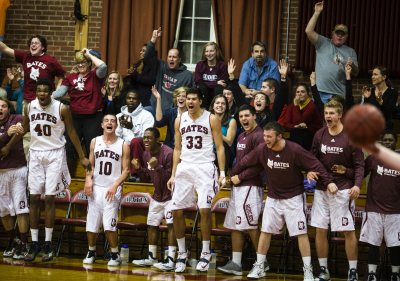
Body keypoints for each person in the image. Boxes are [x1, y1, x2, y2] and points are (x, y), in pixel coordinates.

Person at [231, 121, 336, 281]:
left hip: (293, 198)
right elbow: (246, 161)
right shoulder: (262, 149)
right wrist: (232, 175)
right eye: (264, 135)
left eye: (269, 136)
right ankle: (259, 265)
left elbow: (316, 164)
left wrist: (329, 182)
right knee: (265, 231)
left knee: (301, 233)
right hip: (273, 197)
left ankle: (307, 270)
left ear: (279, 136)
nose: (265, 139)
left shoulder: (294, 150)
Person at [19, 78, 89, 262]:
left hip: (55, 153)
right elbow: (25, 128)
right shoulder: (29, 107)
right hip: (35, 153)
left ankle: (48, 244)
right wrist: (10, 143)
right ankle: (34, 244)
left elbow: (72, 132)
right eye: (39, 91)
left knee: (49, 198)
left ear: (51, 92)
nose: (42, 94)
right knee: (34, 198)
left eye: (45, 90)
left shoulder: (61, 108)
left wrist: (82, 156)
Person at [167, 88, 226, 273]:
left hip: (205, 166)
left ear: (200, 101)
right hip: (185, 166)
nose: (189, 101)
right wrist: (173, 173)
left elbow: (220, 147)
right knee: (175, 209)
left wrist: (223, 172)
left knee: (205, 209)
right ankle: (182, 253)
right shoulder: (179, 119)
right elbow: (177, 148)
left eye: (193, 99)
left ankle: (206, 252)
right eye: (187, 99)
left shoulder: (211, 119)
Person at [310, 100, 364, 281]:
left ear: (340, 115)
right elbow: (313, 160)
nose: (328, 116)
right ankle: (324, 270)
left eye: (331, 113)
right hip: (322, 190)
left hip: (343, 191)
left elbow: (359, 165)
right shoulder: (319, 135)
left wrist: (357, 184)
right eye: (326, 113)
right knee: (320, 230)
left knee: (348, 231)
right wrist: (310, 171)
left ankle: (353, 271)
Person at [217, 104, 266, 276]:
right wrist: (232, 176)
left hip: (251, 185)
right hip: (239, 186)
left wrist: (241, 177)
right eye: (241, 116)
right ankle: (236, 263)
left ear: (254, 117)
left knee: (251, 225)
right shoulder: (241, 136)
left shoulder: (259, 136)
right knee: (235, 225)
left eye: (247, 116)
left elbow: (261, 164)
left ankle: (262, 263)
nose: (244, 119)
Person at [82, 113, 130, 267]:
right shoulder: (94, 141)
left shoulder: (123, 144)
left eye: (113, 121)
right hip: (96, 187)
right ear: (102, 125)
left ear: (116, 125)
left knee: (109, 224)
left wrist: (115, 185)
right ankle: (91, 251)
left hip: (112, 188)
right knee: (92, 222)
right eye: (107, 121)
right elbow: (90, 165)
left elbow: (126, 170)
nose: (110, 123)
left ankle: (114, 254)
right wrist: (88, 180)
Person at [131, 127, 177, 271]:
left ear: (158, 139)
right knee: (151, 224)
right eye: (144, 137)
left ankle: (171, 260)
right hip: (157, 196)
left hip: (171, 195)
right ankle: (152, 257)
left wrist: (158, 166)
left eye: (149, 138)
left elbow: (170, 179)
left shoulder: (169, 153)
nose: (146, 140)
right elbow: (147, 177)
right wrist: (139, 169)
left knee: (171, 225)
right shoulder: (145, 154)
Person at [52, 48, 107, 160]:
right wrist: (46, 95)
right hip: (75, 117)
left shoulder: (95, 75)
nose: (81, 65)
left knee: (92, 147)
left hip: (93, 117)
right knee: (69, 146)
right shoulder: (71, 77)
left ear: (89, 63)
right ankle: (69, 176)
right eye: (78, 63)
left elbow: (103, 67)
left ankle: (92, 175)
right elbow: (59, 93)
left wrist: (88, 54)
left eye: (84, 62)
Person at [361, 131, 400, 281]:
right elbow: (360, 174)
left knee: (395, 245)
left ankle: (395, 274)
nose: (387, 142)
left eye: (391, 140)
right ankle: (371, 274)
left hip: (395, 211)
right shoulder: (373, 158)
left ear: (396, 143)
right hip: (374, 208)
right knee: (373, 243)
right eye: (385, 140)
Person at [305, 1, 359, 103]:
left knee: (336, 119)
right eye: (337, 33)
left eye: (342, 34)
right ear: (332, 34)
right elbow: (308, 31)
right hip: (320, 92)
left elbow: (356, 73)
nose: (339, 36)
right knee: (319, 118)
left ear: (346, 37)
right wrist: (317, 12)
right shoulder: (323, 42)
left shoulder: (350, 51)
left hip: (339, 94)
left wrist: (352, 66)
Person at [0, 97, 29, 260]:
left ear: (8, 109)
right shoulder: (8, 127)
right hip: (0, 173)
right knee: (3, 211)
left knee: (21, 208)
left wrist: (17, 130)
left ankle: (24, 244)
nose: (1, 109)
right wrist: (6, 135)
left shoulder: (16, 119)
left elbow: (27, 122)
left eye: (3, 106)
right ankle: (14, 241)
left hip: (18, 170)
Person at [0, 35, 65, 103]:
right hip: (28, 100)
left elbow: (62, 76)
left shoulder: (50, 60)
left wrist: (56, 93)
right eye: (31, 43)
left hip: (46, 100)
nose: (33, 45)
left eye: (36, 43)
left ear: (42, 47)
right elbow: (5, 49)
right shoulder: (25, 57)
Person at [148, 28, 193, 113]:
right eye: (169, 56)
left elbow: (191, 95)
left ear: (179, 60)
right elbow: (148, 57)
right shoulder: (161, 66)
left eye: (174, 57)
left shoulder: (187, 75)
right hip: (155, 106)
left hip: (173, 111)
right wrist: (153, 39)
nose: (171, 59)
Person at [116, 89, 154, 181]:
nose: (131, 100)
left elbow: (147, 138)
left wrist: (132, 127)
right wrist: (120, 127)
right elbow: (116, 137)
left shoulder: (147, 115)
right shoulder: (118, 116)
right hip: (124, 146)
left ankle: (135, 174)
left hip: (141, 146)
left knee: (135, 141)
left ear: (139, 100)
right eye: (129, 98)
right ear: (126, 100)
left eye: (134, 98)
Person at [278, 83, 322, 150]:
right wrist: (294, 126)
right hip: (295, 134)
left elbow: (300, 121)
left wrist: (296, 106)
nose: (299, 94)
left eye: (302, 92)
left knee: (300, 134)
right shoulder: (292, 105)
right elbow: (286, 123)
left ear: (308, 93)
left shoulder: (311, 105)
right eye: (297, 92)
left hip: (309, 134)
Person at [127, 28, 160, 107]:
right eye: (141, 50)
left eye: (143, 51)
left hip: (146, 98)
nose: (141, 52)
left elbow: (150, 80)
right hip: (135, 96)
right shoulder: (138, 63)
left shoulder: (154, 64)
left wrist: (135, 76)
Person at [361, 66, 398, 130]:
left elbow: (391, 112)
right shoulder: (370, 91)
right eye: (372, 75)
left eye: (375, 74)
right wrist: (366, 98)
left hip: (385, 129)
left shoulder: (392, 92)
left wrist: (381, 102)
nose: (372, 77)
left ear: (384, 77)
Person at [194, 42, 228, 109]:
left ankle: (216, 110)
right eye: (206, 51)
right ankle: (203, 110)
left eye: (211, 51)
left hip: (216, 93)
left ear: (216, 52)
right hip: (204, 94)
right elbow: (198, 82)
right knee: (203, 87)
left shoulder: (222, 66)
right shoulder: (200, 65)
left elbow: (222, 83)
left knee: (218, 88)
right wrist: (215, 82)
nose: (209, 54)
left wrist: (207, 83)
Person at [209, 94, 237, 170]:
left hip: (223, 152)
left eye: (223, 103)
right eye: (217, 103)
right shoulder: (207, 119)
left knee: (223, 147)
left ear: (226, 106)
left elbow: (229, 141)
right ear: (213, 105)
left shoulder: (231, 121)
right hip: (208, 150)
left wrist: (215, 131)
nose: (220, 105)